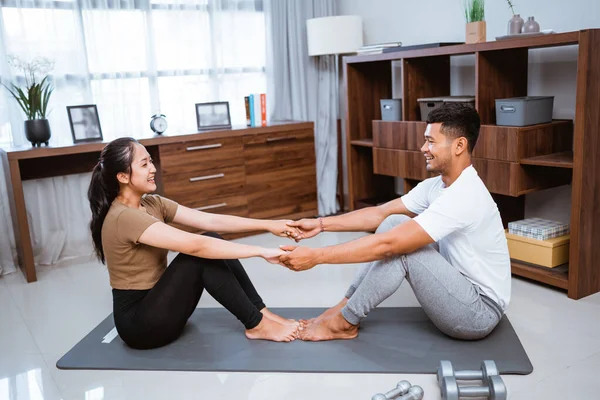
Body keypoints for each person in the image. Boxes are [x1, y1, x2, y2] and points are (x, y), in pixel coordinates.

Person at [280, 103, 510, 342]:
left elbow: (389, 245)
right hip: (459, 288)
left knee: (401, 248)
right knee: (394, 222)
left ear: (459, 146)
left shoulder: (464, 195)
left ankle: (345, 323)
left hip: (478, 313)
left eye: (431, 141)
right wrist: (321, 225)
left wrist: (316, 257)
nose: (423, 148)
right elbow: (380, 214)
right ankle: (344, 305)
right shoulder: (438, 186)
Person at [88, 137, 300, 350]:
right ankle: (257, 325)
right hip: (140, 327)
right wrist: (261, 251)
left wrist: (268, 225)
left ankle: (262, 314)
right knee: (198, 257)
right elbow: (197, 246)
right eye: (144, 164)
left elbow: (211, 221)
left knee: (211, 236)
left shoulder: (152, 204)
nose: (153, 169)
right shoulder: (124, 217)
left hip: (161, 307)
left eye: (151, 161)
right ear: (123, 176)